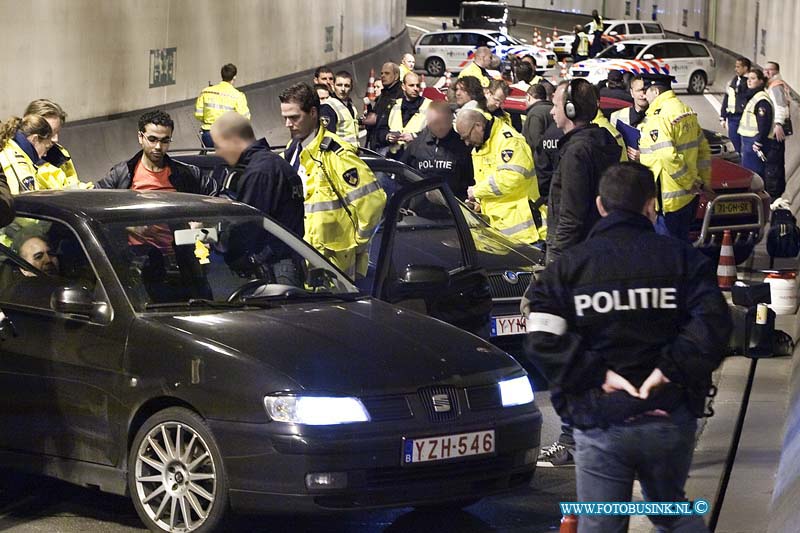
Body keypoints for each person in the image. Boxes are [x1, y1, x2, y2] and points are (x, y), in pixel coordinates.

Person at [524, 161, 731, 533]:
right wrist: (668, 370)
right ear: (651, 206)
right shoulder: (682, 260)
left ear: (601, 206)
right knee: (672, 512)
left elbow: (542, 336)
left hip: (599, 418)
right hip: (668, 412)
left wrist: (598, 375)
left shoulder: (568, 268)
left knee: (601, 521)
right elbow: (714, 325)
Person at [280, 83, 386, 278]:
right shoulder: (292, 149)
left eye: (294, 117)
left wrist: (358, 243)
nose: (288, 124)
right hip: (302, 260)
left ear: (313, 113)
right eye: (285, 118)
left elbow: (373, 202)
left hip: (332, 268)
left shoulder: (337, 154)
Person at [211, 112, 305, 285]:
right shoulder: (276, 164)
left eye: (218, 145)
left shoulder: (259, 172)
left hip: (274, 269)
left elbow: (246, 225)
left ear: (234, 140)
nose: (218, 153)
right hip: (288, 262)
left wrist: (223, 246)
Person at [629, 74, 711, 242]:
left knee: (667, 254)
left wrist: (689, 182)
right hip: (689, 198)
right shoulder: (686, 110)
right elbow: (703, 150)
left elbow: (667, 156)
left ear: (656, 91)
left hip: (668, 202)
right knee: (682, 250)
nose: (645, 96)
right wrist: (702, 183)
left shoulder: (659, 117)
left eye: (647, 91)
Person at [456, 109, 543, 245]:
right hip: (499, 232)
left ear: (478, 126)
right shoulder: (482, 146)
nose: (467, 143)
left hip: (524, 233)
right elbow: (487, 181)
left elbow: (512, 178)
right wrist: (478, 202)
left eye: (467, 136)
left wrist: (477, 191)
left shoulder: (509, 141)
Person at [97, 110, 217, 194]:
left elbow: (221, 196)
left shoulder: (188, 174)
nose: (158, 147)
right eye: (152, 139)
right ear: (140, 137)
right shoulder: (121, 173)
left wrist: (201, 220)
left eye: (165, 141)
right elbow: (94, 201)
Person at [400, 101, 474, 199]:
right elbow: (401, 178)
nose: (440, 127)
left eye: (443, 123)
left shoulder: (462, 146)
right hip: (419, 208)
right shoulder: (416, 145)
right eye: (436, 123)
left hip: (452, 208)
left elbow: (469, 180)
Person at [24, 99, 91, 190]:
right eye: (49, 133)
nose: (56, 139)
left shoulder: (60, 154)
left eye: (57, 132)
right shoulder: (18, 162)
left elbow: (73, 186)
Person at [194, 63, 250, 148]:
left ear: (222, 75)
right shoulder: (238, 95)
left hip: (209, 135)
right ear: (234, 77)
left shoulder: (206, 92)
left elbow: (198, 114)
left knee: (206, 159)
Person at [377, 72, 432, 157]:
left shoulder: (429, 105)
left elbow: (435, 131)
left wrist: (414, 136)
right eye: (411, 85)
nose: (415, 89)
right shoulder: (394, 104)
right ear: (403, 87)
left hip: (417, 157)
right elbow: (380, 130)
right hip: (395, 156)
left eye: (418, 86)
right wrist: (388, 136)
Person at [0, 115, 55, 194]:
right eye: (46, 148)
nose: (45, 154)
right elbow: (26, 202)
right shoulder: (18, 164)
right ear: (35, 139)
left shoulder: (11, 148)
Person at [738, 69, 775, 185]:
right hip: (749, 141)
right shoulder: (753, 96)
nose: (749, 81)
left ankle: (757, 199)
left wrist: (758, 143)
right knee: (747, 172)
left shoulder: (761, 100)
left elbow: (764, 123)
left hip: (754, 143)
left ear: (761, 82)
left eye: (753, 79)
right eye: (748, 79)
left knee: (754, 174)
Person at [764, 61, 789, 198]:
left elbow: (781, 106)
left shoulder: (775, 86)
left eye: (769, 70)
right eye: (765, 69)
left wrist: (778, 124)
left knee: (773, 164)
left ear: (775, 71)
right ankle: (777, 192)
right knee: (777, 163)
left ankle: (773, 196)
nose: (766, 72)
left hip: (775, 131)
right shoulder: (776, 84)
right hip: (775, 130)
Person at [366, 63, 403, 151]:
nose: (383, 76)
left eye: (387, 73)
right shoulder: (383, 95)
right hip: (376, 144)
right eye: (382, 73)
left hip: (389, 147)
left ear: (396, 76)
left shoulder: (400, 94)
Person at [719, 57, 752, 154]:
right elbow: (727, 98)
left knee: (745, 148)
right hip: (732, 117)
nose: (735, 69)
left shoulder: (749, 82)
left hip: (743, 117)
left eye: (738, 67)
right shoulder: (734, 81)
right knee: (734, 146)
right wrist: (723, 116)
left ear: (745, 68)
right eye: (735, 66)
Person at [319, 70, 361, 146]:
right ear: (333, 86)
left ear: (351, 87)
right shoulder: (329, 107)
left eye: (347, 86)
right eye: (339, 85)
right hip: (340, 155)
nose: (343, 89)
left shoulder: (351, 106)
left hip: (353, 153)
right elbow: (328, 137)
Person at [523, 82, 555, 151]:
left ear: (528, 97)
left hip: (539, 159)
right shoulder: (553, 110)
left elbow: (536, 143)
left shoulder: (534, 113)